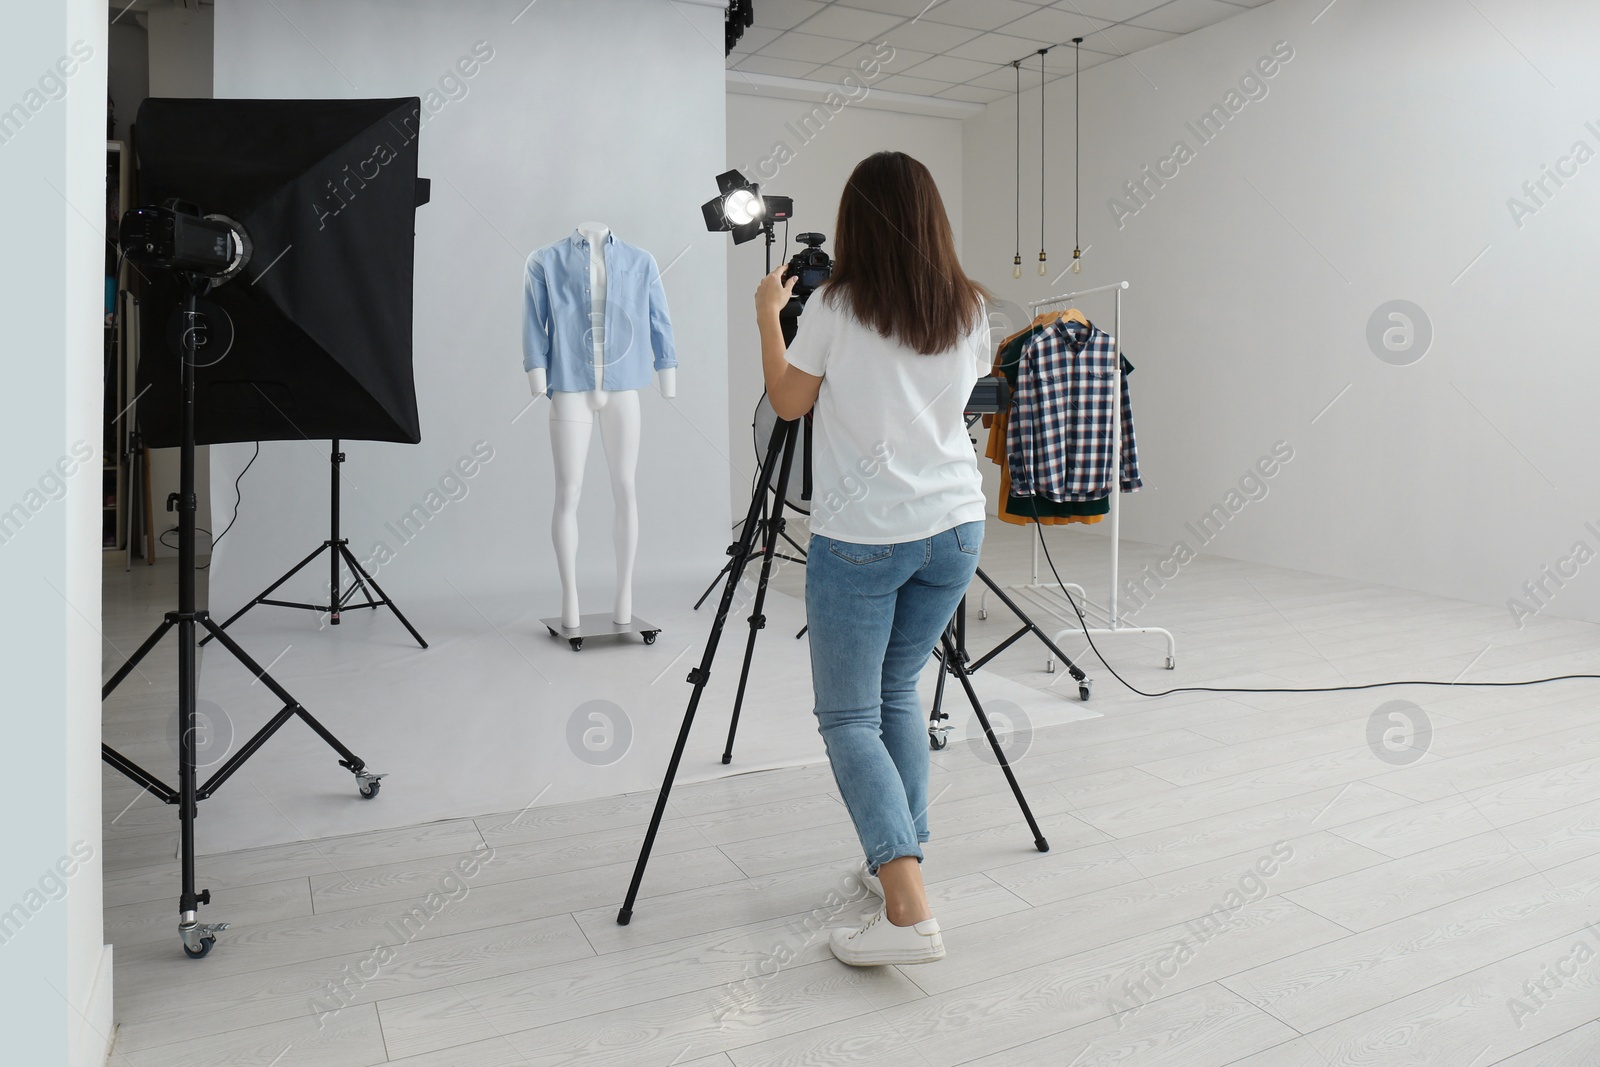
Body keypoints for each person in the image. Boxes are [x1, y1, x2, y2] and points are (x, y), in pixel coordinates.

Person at [754, 151, 990, 966]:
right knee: (897, 688)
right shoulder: (966, 307)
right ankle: (901, 855)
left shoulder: (835, 304)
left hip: (863, 537)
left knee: (849, 715)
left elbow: (789, 400)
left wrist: (764, 316)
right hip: (957, 526)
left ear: (858, 221)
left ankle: (907, 909)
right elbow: (957, 399)